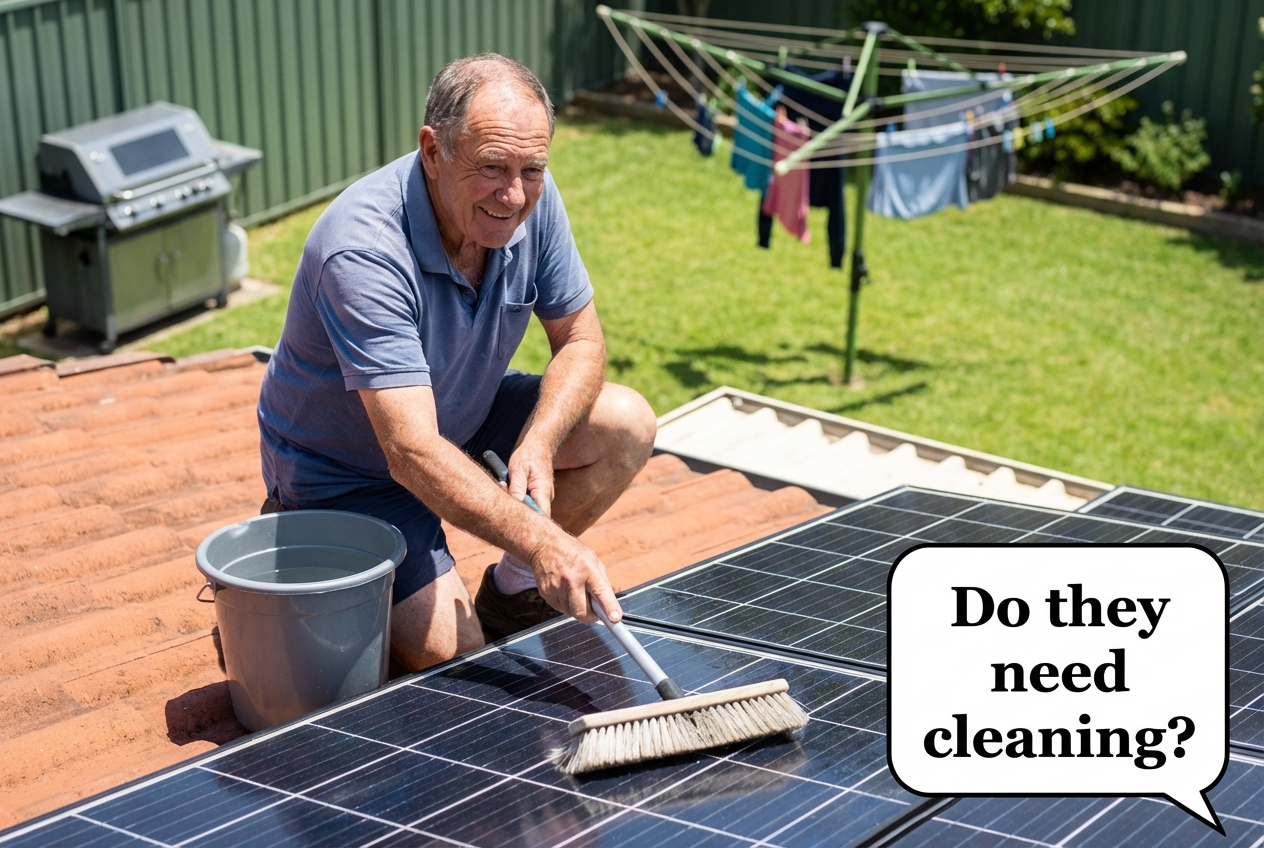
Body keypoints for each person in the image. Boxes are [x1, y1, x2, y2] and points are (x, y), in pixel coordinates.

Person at [255, 53, 657, 672]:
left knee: (625, 422)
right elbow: (410, 451)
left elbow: (581, 339)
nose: (514, 194)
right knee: (453, 656)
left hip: (457, 420)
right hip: (348, 475)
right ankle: (308, 545)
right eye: (491, 168)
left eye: (532, 170)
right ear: (433, 150)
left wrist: (539, 444)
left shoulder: (530, 203)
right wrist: (548, 540)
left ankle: (516, 592)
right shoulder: (361, 249)